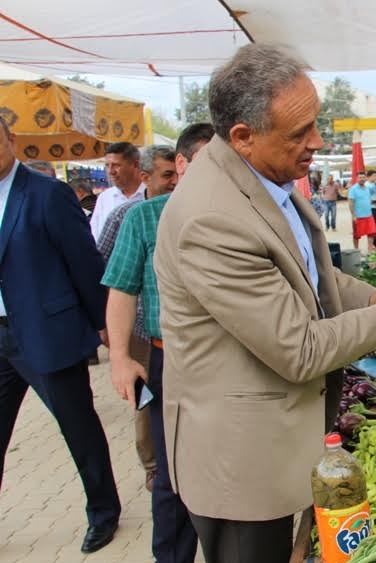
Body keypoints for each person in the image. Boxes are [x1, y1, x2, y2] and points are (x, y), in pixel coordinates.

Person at [153, 44, 376, 563]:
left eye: (315, 123)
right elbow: (299, 348)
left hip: (281, 437)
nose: (317, 142)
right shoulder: (211, 218)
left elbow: (310, 277)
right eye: (299, 133)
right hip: (242, 462)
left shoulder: (262, 177)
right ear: (244, 137)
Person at [0, 117, 122, 554]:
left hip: (47, 333)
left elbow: (84, 263)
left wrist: (106, 324)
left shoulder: (46, 194)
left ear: (10, 139)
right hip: (1, 336)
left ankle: (104, 511)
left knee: (79, 429)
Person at [103, 127, 211, 563]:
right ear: (181, 165)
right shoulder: (144, 218)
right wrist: (120, 357)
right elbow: (121, 289)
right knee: (170, 474)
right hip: (170, 360)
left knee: (230, 469)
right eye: (206, 161)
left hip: (233, 363)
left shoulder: (243, 215)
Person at [97, 144, 178, 494]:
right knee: (148, 407)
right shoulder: (131, 216)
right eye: (167, 175)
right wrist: (116, 346)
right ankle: (154, 467)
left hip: (178, 341)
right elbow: (109, 271)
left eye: (177, 173)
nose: (175, 181)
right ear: (146, 177)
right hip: (143, 335)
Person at [91, 142, 146, 241]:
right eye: (107, 165)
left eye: (116, 165)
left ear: (135, 165)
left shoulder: (150, 194)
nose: (110, 171)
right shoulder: (105, 198)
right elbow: (95, 236)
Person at [349, 171, 376, 252]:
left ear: (365, 178)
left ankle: (370, 249)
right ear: (357, 179)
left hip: (368, 215)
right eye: (360, 177)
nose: (362, 179)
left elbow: (369, 200)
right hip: (358, 216)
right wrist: (353, 215)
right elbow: (351, 202)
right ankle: (356, 250)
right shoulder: (353, 189)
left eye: (363, 177)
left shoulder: (367, 188)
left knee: (372, 232)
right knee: (356, 235)